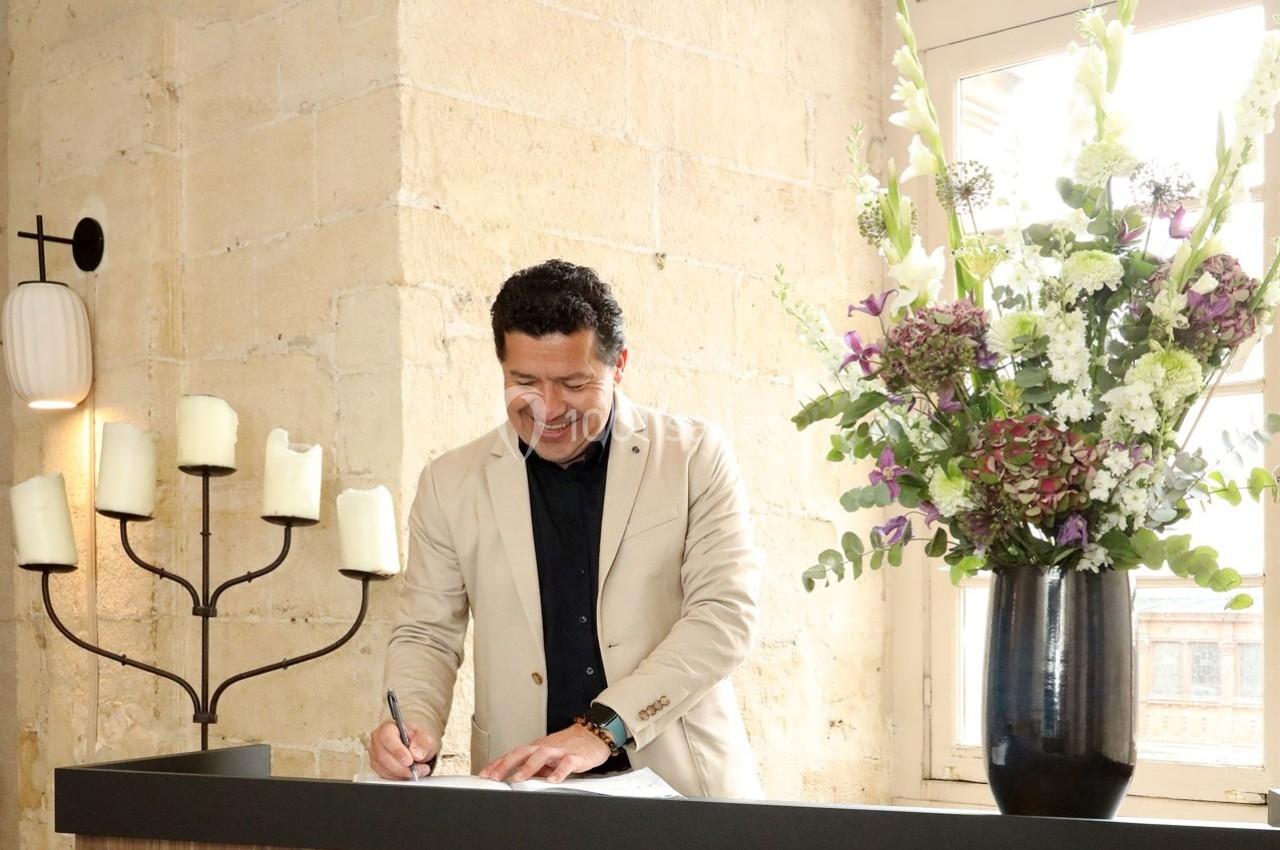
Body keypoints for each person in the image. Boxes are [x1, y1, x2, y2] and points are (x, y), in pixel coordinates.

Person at [368, 259, 762, 798]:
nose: (547, 409)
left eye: (573, 383)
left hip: (681, 784)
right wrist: (410, 722)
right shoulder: (448, 482)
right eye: (523, 381)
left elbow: (724, 617)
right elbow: (426, 633)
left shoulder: (694, 456)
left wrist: (602, 728)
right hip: (522, 792)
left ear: (618, 364)